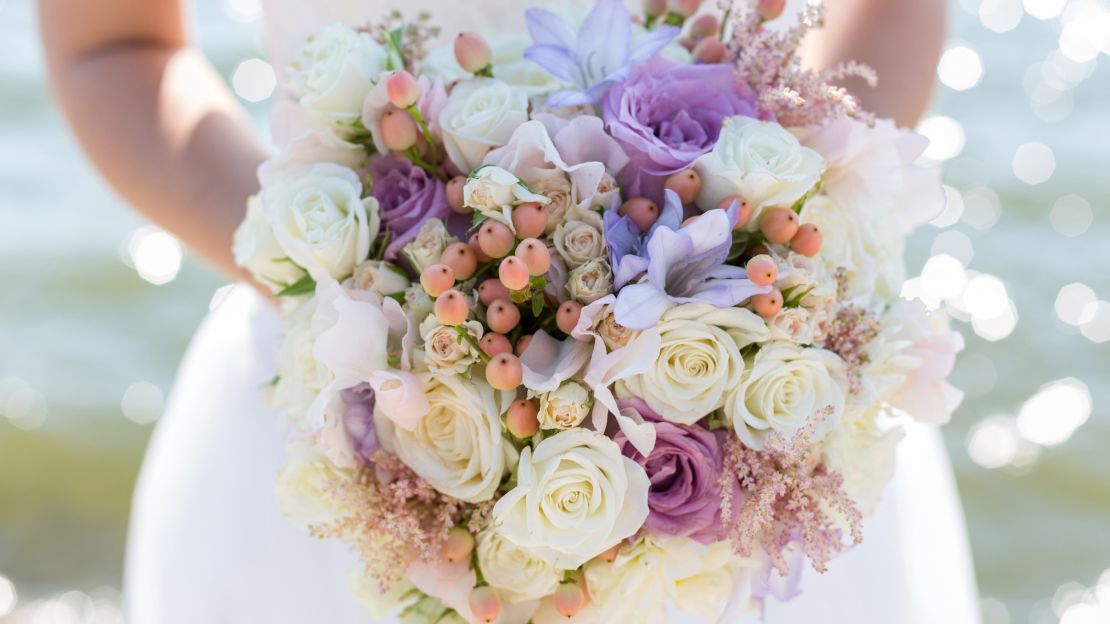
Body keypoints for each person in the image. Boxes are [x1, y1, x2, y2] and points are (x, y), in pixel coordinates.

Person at [40, 0, 978, 622]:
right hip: (342, 417)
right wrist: (367, 289)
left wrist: (773, 248)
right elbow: (111, 43)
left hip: (759, 446)